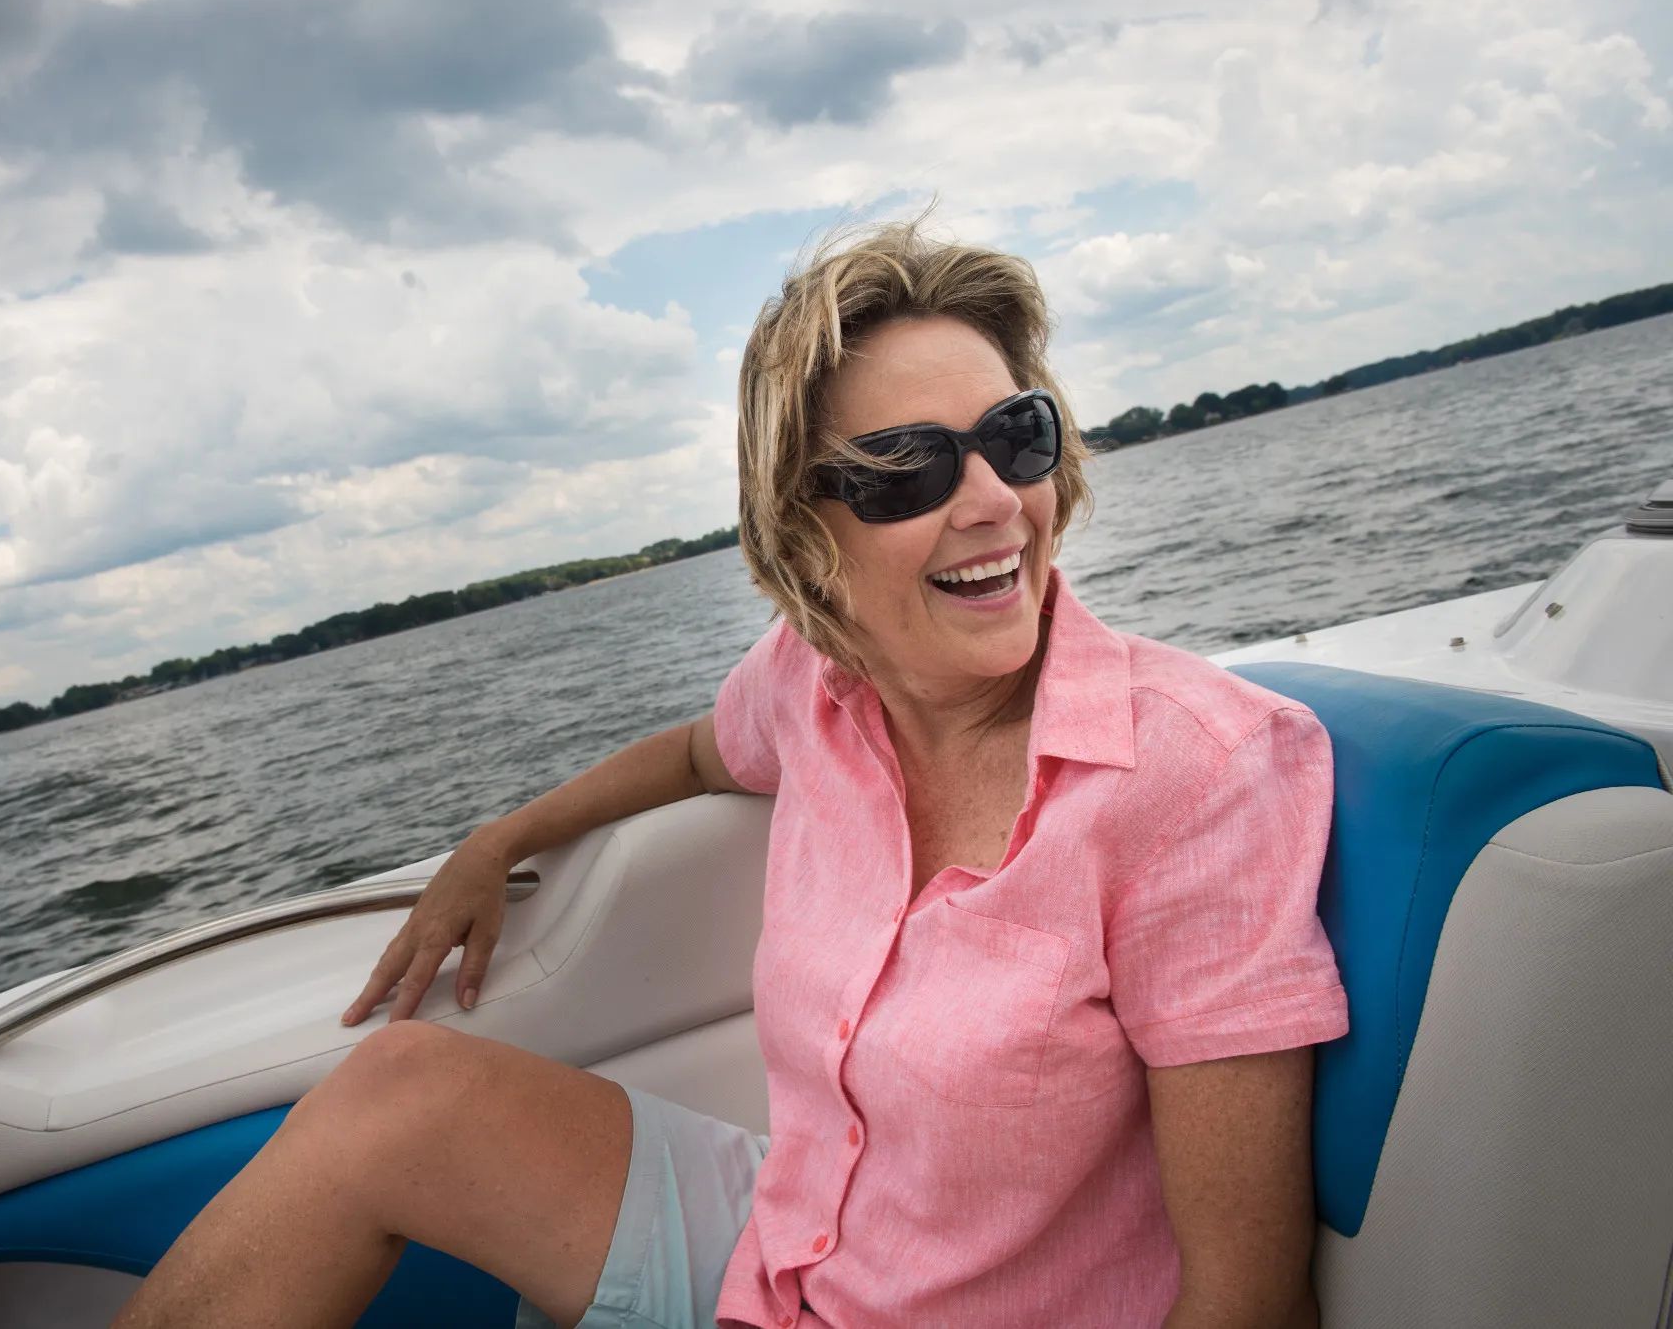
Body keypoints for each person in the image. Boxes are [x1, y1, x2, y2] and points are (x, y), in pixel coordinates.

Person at [111, 218, 1349, 1329]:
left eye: (1013, 438)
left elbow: (1246, 1300)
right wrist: (497, 840)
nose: (988, 502)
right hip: (785, 1247)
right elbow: (698, 753)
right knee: (393, 1087)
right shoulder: (813, 681)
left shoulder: (1195, 777)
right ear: (803, 528)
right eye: (908, 467)